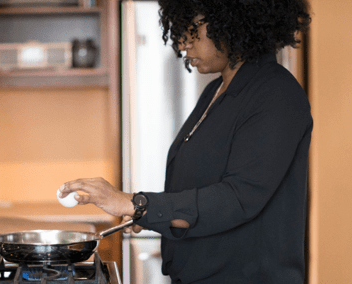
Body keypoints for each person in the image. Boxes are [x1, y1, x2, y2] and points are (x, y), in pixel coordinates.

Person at [58, 0, 312, 283]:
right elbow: (200, 184)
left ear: (233, 22)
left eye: (193, 28)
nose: (182, 42)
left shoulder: (277, 94)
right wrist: (150, 215)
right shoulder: (216, 91)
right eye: (181, 28)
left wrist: (136, 204)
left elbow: (237, 198)